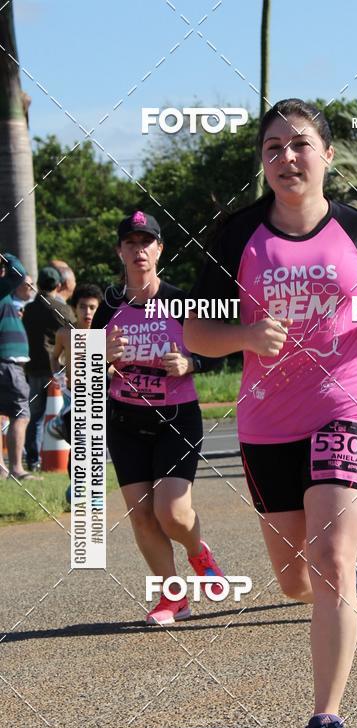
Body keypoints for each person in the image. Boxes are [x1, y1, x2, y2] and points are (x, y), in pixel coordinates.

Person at [184, 99, 357, 728]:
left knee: (327, 563)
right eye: (273, 148)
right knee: (295, 580)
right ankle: (334, 576)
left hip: (350, 406)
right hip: (267, 425)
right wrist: (240, 336)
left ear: (326, 155)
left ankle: (326, 722)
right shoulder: (235, 236)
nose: (287, 158)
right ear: (263, 162)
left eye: (299, 145)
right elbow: (194, 333)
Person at [92, 211, 224, 626]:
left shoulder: (181, 301)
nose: (138, 250)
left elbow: (222, 349)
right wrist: (101, 357)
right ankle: (173, 597)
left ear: (160, 249)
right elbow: (85, 371)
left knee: (172, 512)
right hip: (124, 420)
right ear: (119, 251)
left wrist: (191, 362)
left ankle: (198, 551)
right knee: (142, 514)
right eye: (130, 243)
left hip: (176, 417)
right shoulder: (109, 306)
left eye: (146, 242)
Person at [48, 284, 103, 503]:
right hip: (72, 396)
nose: (88, 312)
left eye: (92, 307)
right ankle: (78, 485)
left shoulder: (104, 334)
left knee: (95, 443)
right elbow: (54, 357)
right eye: (83, 307)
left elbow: (112, 365)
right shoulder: (65, 334)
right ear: (74, 308)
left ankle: (95, 491)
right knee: (79, 443)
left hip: (97, 396)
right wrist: (58, 375)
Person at [22, 266, 73, 470]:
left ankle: (33, 460)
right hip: (57, 369)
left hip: (33, 368)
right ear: (59, 286)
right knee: (66, 412)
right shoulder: (62, 309)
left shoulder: (29, 309)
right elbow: (75, 334)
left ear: (39, 285)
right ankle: (68, 456)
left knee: (34, 416)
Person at [0, 253, 39, 481]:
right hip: (8, 362)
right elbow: (18, 271)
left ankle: (2, 470)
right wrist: (6, 256)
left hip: (6, 362)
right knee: (20, 413)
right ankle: (16, 468)